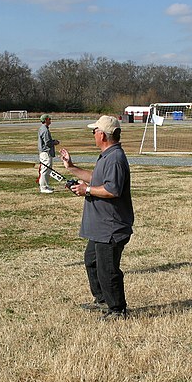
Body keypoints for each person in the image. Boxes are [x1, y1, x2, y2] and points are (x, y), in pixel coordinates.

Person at [59, 115, 134, 320]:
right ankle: (102, 300)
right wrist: (71, 168)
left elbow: (112, 190)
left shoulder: (115, 158)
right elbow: (96, 179)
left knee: (107, 269)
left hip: (111, 227)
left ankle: (118, 310)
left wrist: (88, 190)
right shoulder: (107, 155)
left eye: (94, 131)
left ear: (102, 134)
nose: (93, 134)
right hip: (100, 226)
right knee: (92, 261)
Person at [37, 114, 59, 193]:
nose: (50, 120)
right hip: (46, 152)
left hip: (44, 152)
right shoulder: (45, 130)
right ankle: (43, 187)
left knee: (47, 170)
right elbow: (47, 143)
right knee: (45, 170)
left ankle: (45, 185)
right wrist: (55, 142)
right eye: (49, 119)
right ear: (46, 120)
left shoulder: (43, 129)